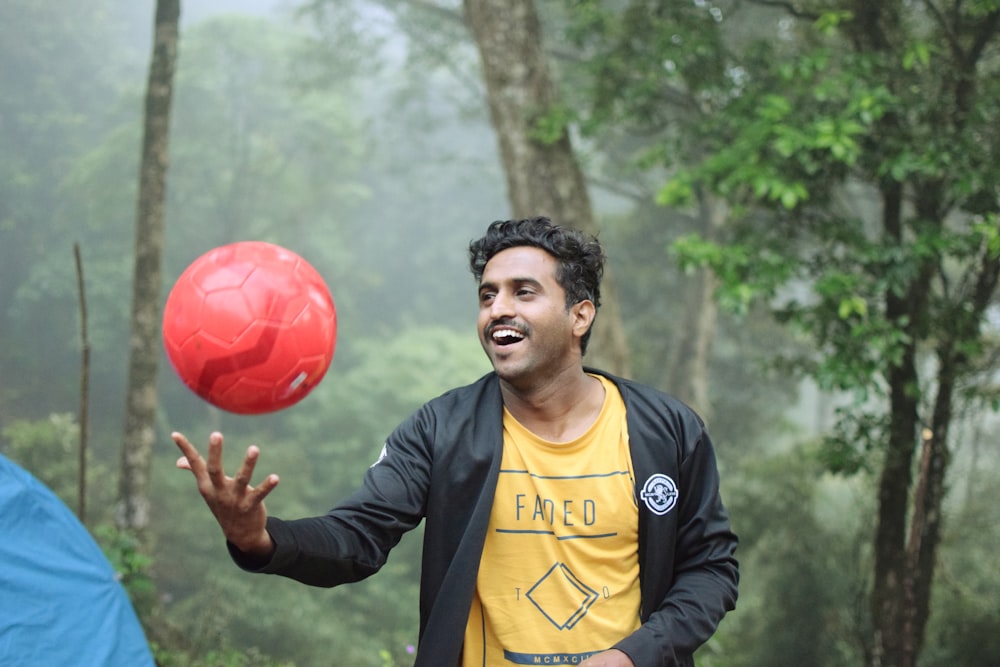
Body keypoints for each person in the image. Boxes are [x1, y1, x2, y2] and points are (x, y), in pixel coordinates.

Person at [173, 216, 738, 667]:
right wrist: (261, 539)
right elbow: (358, 537)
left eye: (523, 292)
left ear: (580, 315)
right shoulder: (441, 429)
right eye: (487, 295)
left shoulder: (666, 430)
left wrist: (632, 656)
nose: (499, 309)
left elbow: (711, 570)